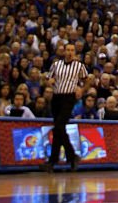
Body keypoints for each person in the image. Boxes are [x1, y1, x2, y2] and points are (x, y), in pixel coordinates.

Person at [43, 42, 87, 173]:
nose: (69, 52)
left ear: (75, 52)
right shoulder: (56, 64)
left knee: (59, 126)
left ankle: (70, 156)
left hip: (69, 97)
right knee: (58, 129)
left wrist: (82, 90)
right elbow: (47, 78)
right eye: (67, 50)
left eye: (72, 50)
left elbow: (88, 79)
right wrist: (49, 82)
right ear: (64, 51)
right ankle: (58, 161)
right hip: (56, 97)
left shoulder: (79, 66)